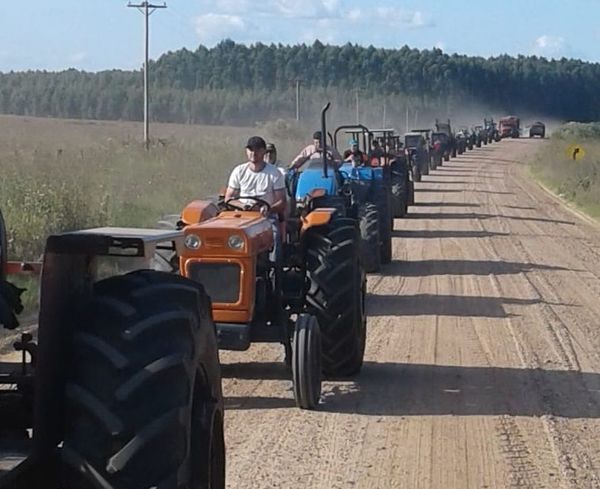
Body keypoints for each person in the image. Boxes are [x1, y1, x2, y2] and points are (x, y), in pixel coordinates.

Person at [225, 136, 286, 262]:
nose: (253, 153)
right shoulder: (239, 171)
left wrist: (269, 208)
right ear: (246, 151)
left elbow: (282, 202)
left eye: (257, 149)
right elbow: (228, 198)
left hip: (265, 217)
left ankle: (274, 269)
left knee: (274, 235)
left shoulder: (274, 173)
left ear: (264, 152)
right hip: (242, 216)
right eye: (250, 149)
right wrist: (243, 206)